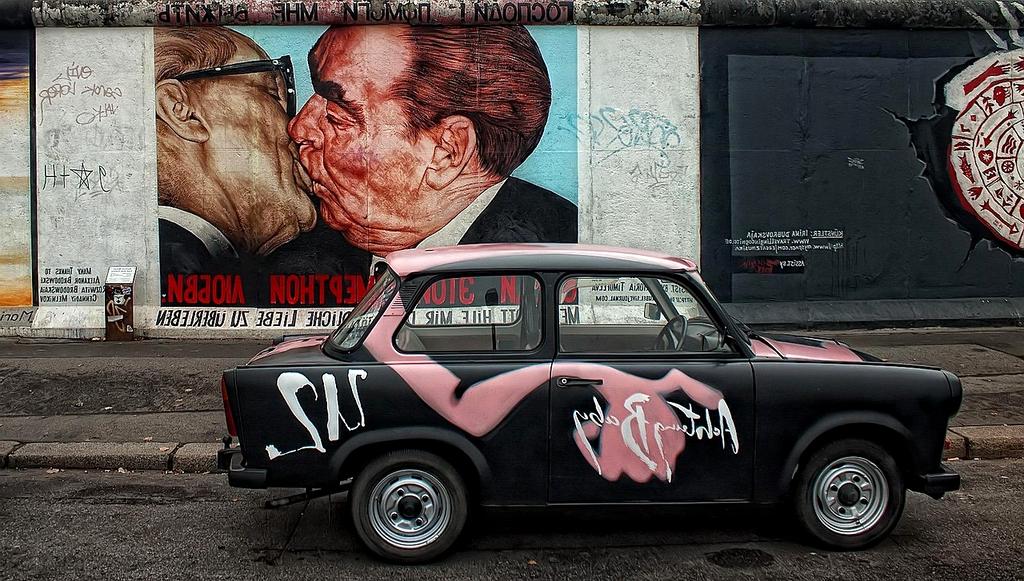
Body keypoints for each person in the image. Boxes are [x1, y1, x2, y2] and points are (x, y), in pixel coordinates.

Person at [288, 25, 578, 258]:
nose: (298, 128)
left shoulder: (559, 251)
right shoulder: (299, 253)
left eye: (337, 117)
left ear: (447, 152)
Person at [154, 27, 317, 277]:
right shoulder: (172, 261)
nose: (294, 126)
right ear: (180, 110)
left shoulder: (181, 256)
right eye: (272, 93)